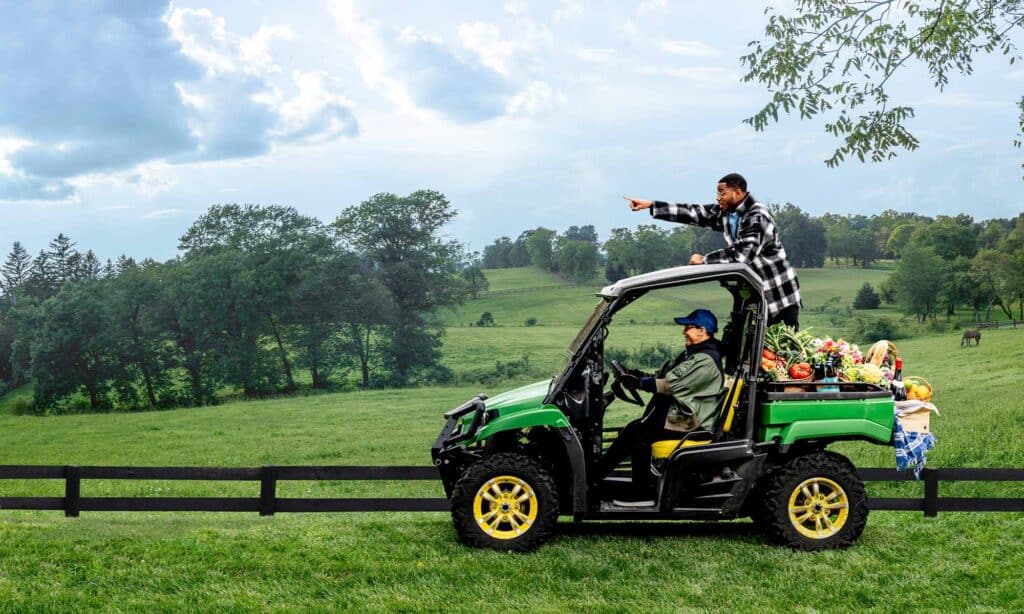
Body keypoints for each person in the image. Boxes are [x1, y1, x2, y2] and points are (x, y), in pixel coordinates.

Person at [625, 173, 801, 329]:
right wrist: (651, 205)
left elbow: (742, 255)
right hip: (754, 292)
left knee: (774, 353)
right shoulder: (728, 213)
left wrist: (705, 260)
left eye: (721, 192)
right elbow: (695, 213)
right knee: (740, 343)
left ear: (738, 193)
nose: (718, 197)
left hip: (778, 295)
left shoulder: (757, 215)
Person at [597, 309, 726, 505]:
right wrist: (636, 374)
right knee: (635, 428)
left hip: (691, 424)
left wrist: (639, 383)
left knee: (637, 433)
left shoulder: (705, 360)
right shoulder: (694, 354)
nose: (684, 331)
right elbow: (666, 377)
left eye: (688, 327)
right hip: (685, 417)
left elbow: (668, 385)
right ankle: (599, 478)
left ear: (702, 331)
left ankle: (640, 493)